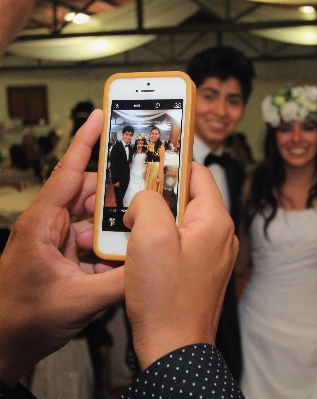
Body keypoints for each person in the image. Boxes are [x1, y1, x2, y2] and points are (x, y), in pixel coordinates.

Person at [0, 107, 244, 398]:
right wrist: (182, 345)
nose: (145, 137)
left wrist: (6, 350)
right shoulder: (131, 149)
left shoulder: (165, 151)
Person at [236, 85, 317, 398]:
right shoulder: (254, 186)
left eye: (308, 128)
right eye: (286, 129)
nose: (297, 138)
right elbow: (238, 263)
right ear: (274, 135)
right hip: (260, 329)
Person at [186, 45, 255, 382]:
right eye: (210, 96)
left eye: (233, 100)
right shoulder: (167, 167)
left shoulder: (235, 172)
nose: (221, 111)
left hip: (224, 315)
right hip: (174, 318)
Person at [110, 125, 134, 208]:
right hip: (118, 179)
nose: (128, 137)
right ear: (122, 135)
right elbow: (113, 164)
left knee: (124, 197)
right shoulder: (116, 147)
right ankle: (118, 215)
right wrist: (115, 180)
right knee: (119, 198)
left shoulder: (130, 148)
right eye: (126, 134)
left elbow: (128, 162)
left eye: (130, 135)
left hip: (126, 178)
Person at [123, 134, 147, 207]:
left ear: (144, 141)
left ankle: (138, 205)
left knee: (140, 190)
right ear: (136, 141)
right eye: (138, 140)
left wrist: (145, 172)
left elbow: (148, 163)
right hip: (133, 172)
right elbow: (130, 160)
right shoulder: (133, 149)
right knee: (131, 189)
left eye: (141, 140)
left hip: (141, 173)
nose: (140, 142)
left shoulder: (147, 150)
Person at [144, 126, 165, 194]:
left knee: (154, 188)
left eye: (156, 134)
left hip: (156, 169)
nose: (154, 135)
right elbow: (148, 160)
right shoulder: (149, 145)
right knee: (148, 188)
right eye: (152, 133)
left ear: (159, 135)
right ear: (150, 135)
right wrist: (145, 171)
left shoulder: (160, 146)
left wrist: (159, 176)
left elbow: (162, 161)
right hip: (149, 168)